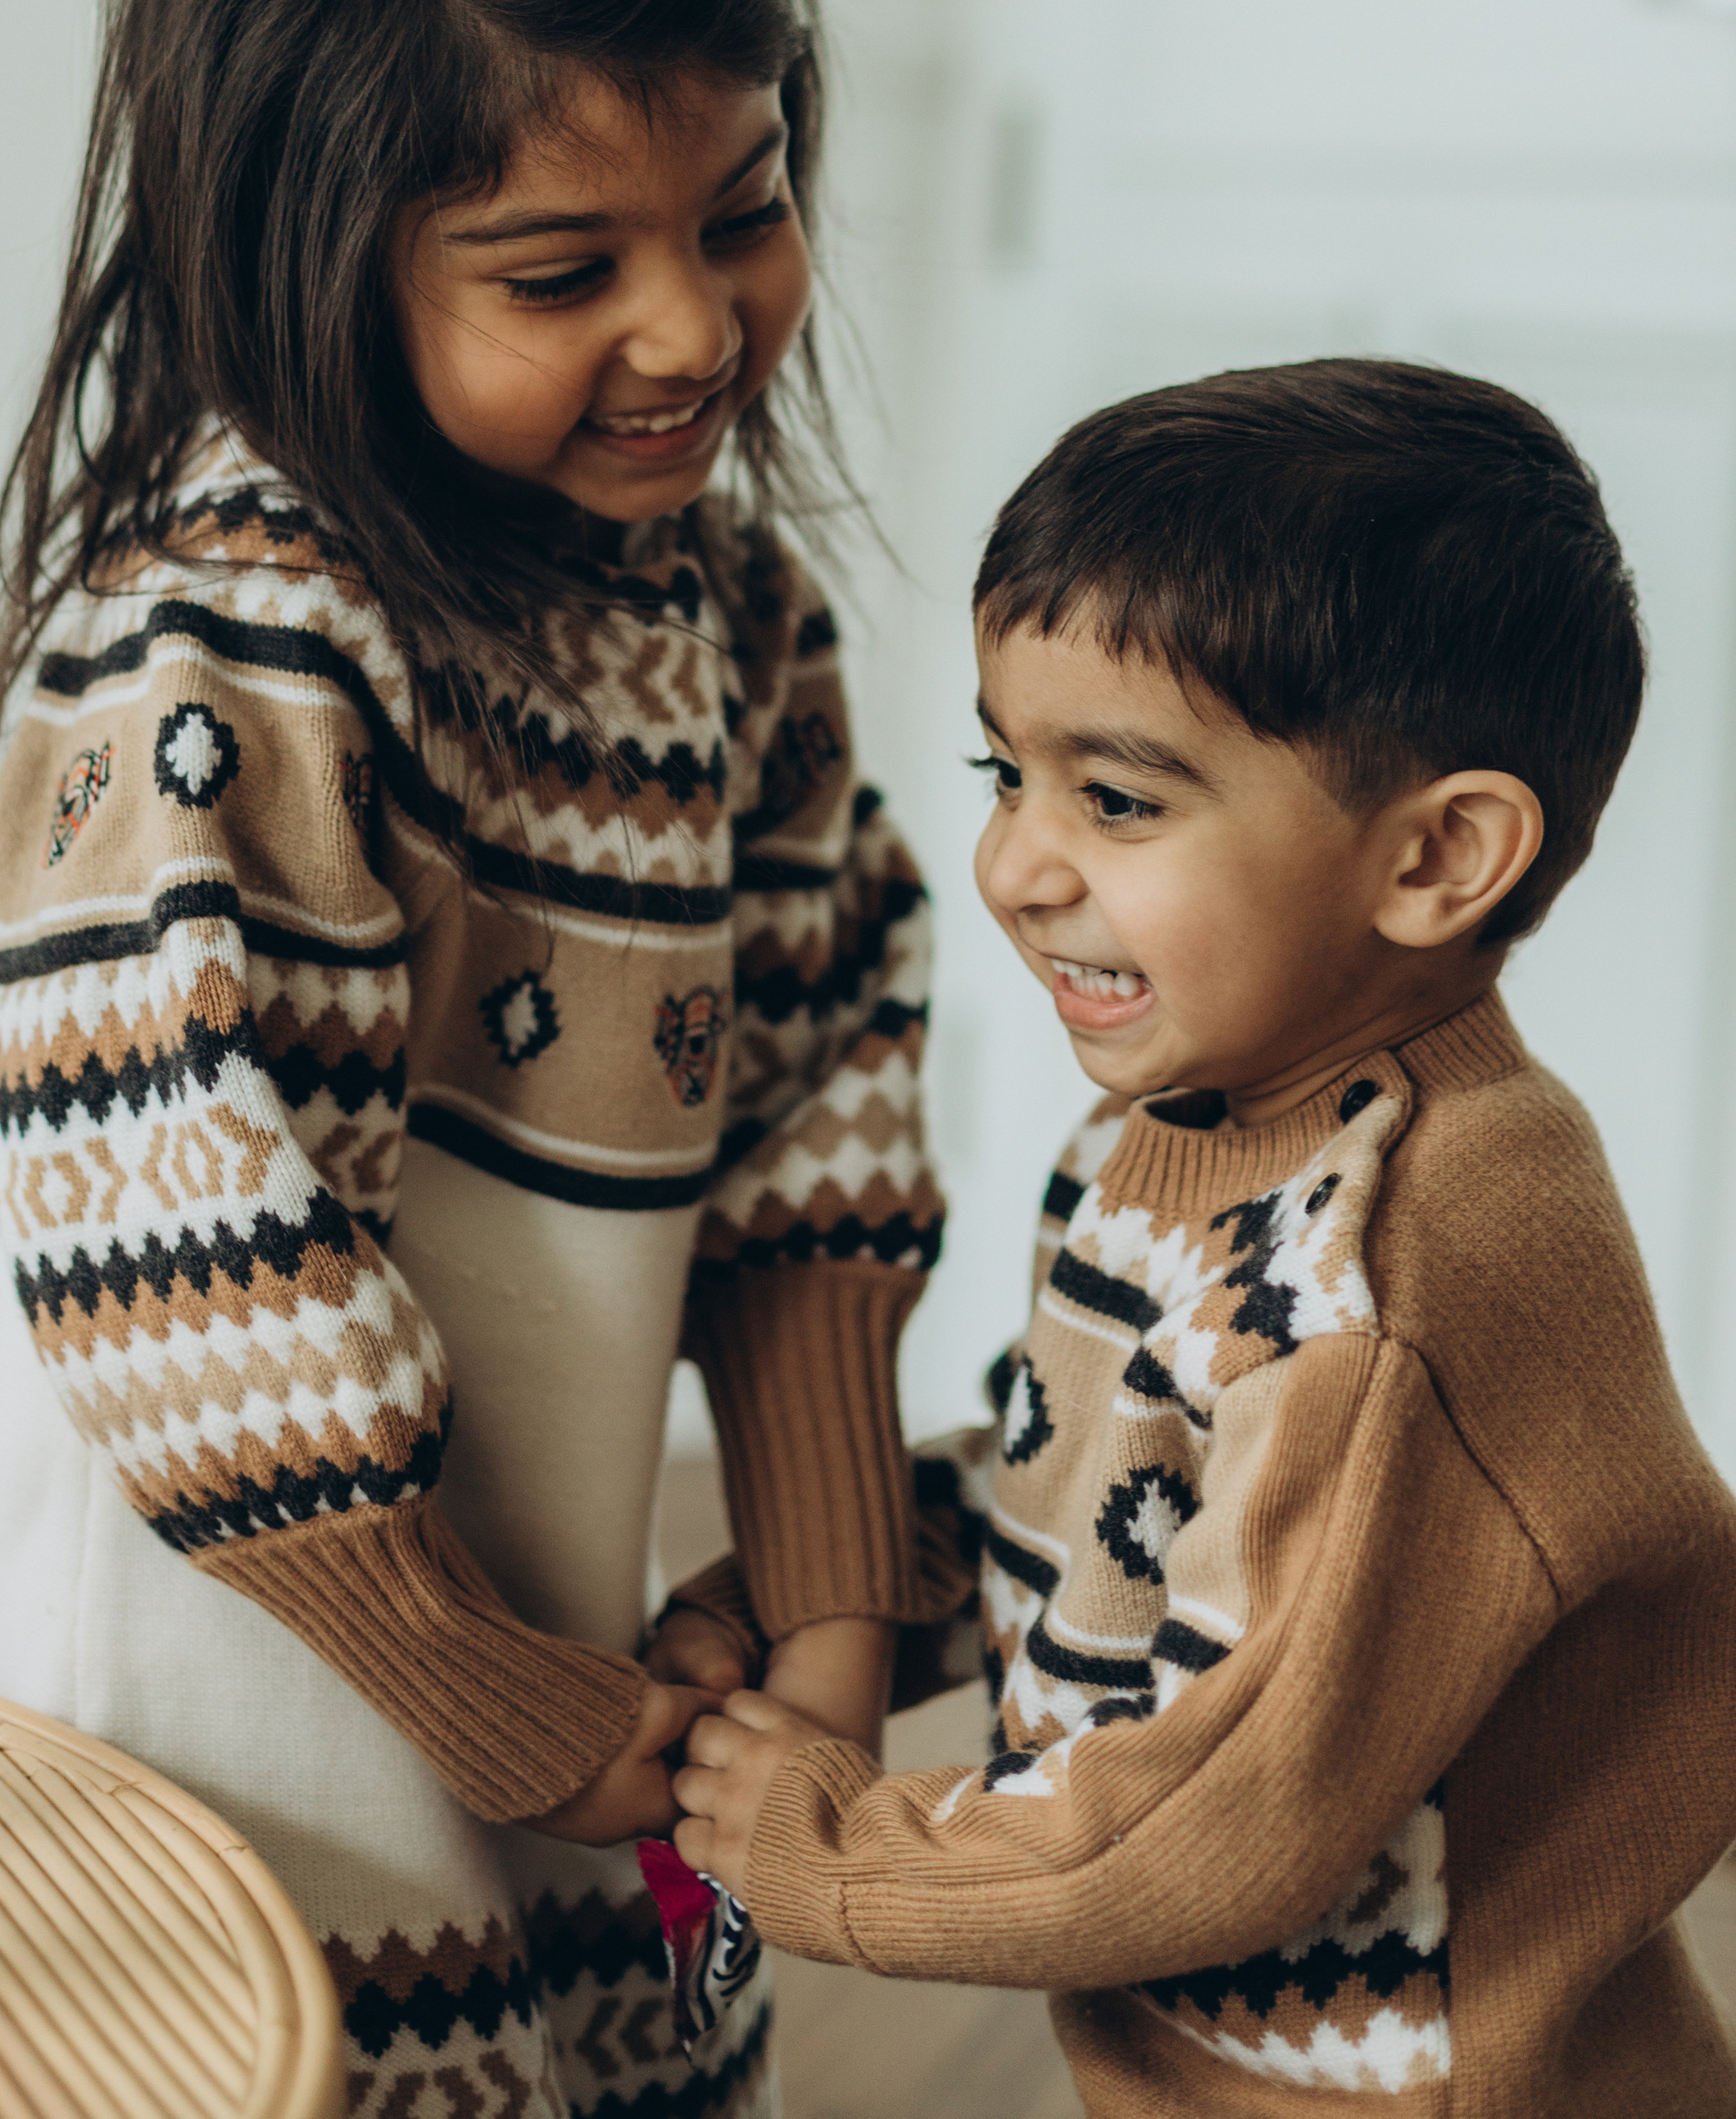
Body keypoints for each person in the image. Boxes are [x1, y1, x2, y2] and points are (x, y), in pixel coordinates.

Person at [0, 0, 941, 2119]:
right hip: (240, 1655)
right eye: (560, 264)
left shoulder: (732, 624)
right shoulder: (228, 652)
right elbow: (196, 1290)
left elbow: (817, 1114)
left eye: (746, 208)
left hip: (560, 1639)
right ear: (317, 260)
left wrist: (824, 1606)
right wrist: (503, 1702)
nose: (691, 328)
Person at [673, 360, 1736, 2112]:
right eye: (1001, 767)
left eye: (1117, 799)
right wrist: (823, 1590)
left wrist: (823, 1849)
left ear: (1435, 859)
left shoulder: (1381, 1279)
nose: (1015, 861)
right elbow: (1102, 1507)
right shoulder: (1181, 1138)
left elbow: (1212, 1822)